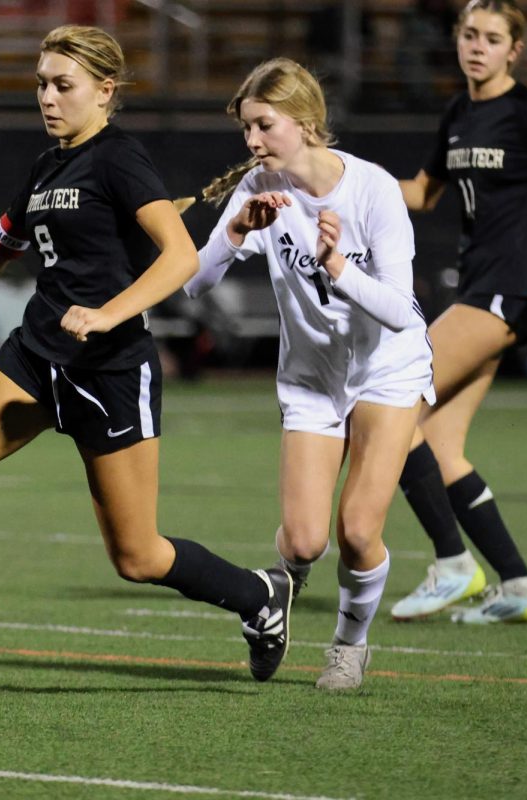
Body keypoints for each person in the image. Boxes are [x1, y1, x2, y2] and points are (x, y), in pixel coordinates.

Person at [0, 25, 293, 703]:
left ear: (106, 91)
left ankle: (260, 594)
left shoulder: (120, 159)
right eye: (40, 84)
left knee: (137, 556)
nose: (47, 98)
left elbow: (179, 257)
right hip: (34, 357)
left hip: (110, 371)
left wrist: (110, 313)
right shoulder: (47, 165)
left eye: (63, 85)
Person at [187, 58, 433, 691]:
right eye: (246, 129)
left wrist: (339, 269)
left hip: (387, 372)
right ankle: (279, 593)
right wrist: (236, 231)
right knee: (302, 542)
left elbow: (404, 313)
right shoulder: (256, 191)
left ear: (304, 121)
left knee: (356, 530)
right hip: (311, 378)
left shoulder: (372, 190)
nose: (252, 142)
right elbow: (193, 283)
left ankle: (350, 645)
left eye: (263, 126)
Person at [387, 0, 527, 623]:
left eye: (491, 38)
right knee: (437, 441)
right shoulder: (460, 112)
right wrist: (342, 175)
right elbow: (422, 193)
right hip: (479, 291)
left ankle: (452, 565)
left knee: (391, 403)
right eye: (468, 35)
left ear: (514, 50)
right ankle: (519, 584)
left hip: (509, 291)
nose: (477, 46)